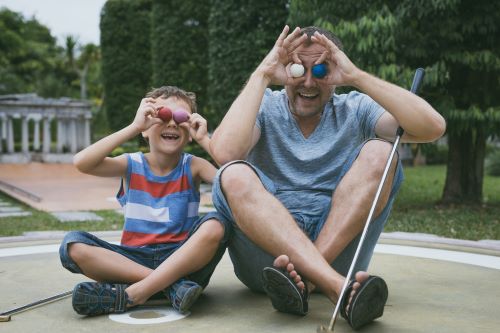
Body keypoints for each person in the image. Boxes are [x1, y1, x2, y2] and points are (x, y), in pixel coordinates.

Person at [209, 25, 446, 330]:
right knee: (234, 174)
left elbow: (432, 128)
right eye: (297, 69)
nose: (308, 81)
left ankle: (306, 281)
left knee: (381, 153)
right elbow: (226, 153)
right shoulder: (264, 105)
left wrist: (357, 76)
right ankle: (336, 286)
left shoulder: (356, 109)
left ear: (335, 71)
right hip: (267, 266)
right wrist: (262, 74)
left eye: (320, 70)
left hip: (336, 257)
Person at [59, 86, 230, 316]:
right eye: (163, 116)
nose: (172, 123)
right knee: (72, 245)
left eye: (181, 118)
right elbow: (82, 162)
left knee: (217, 223)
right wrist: (133, 126)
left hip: (183, 260)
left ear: (189, 131)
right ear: (146, 129)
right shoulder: (130, 164)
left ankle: (134, 293)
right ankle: (169, 287)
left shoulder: (194, 166)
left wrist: (205, 141)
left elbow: (233, 185)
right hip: (134, 261)